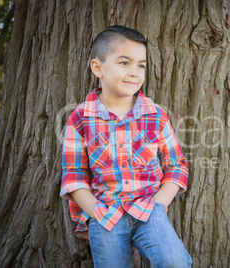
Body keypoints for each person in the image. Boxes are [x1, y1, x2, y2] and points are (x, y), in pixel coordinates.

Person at [60, 25, 192, 268]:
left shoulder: (155, 115)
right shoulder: (80, 118)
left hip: (149, 209)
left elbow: (176, 165)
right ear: (97, 67)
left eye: (140, 65)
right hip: (105, 213)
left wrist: (157, 206)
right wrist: (96, 212)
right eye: (124, 63)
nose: (134, 72)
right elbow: (74, 174)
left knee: (174, 261)